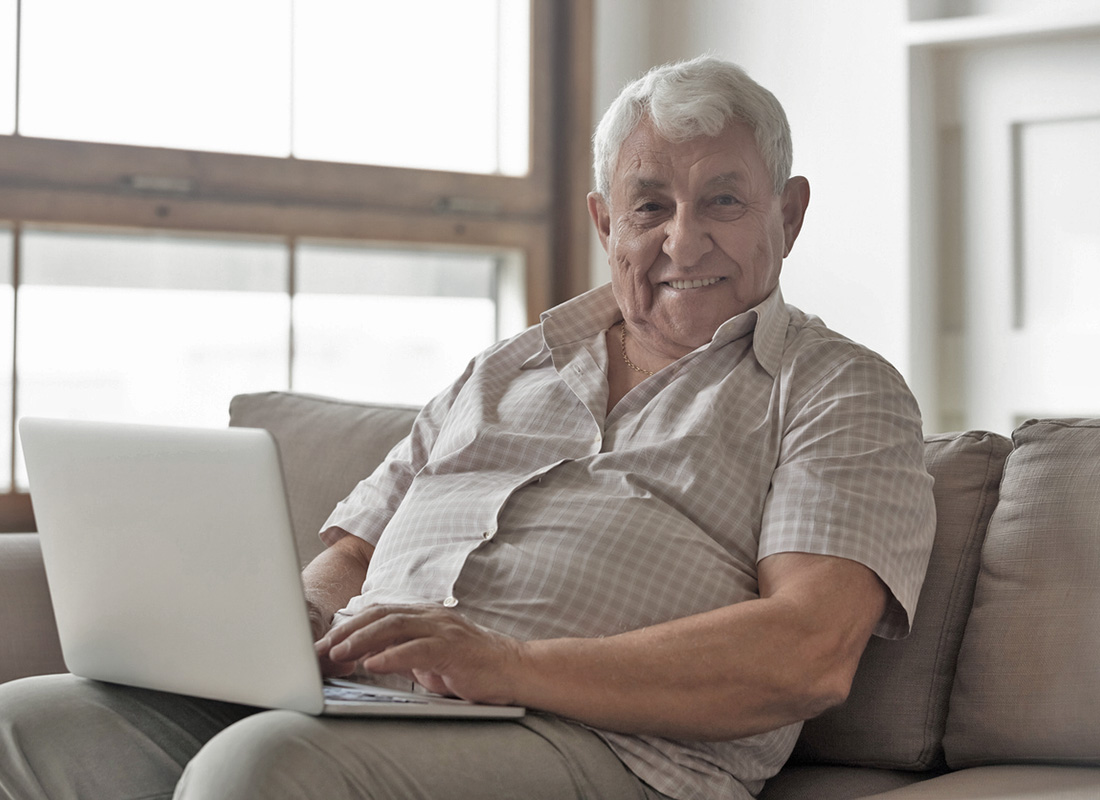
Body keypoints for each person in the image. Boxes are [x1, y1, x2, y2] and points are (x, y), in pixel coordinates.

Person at [0, 55, 935, 800]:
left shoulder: (836, 391)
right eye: (650, 205)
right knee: (26, 725)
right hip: (355, 705)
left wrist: (509, 666)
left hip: (607, 748)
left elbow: (806, 653)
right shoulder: (504, 369)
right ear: (606, 222)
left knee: (262, 773)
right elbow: (350, 555)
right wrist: (296, 624)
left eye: (723, 201)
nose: (682, 241)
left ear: (790, 211)